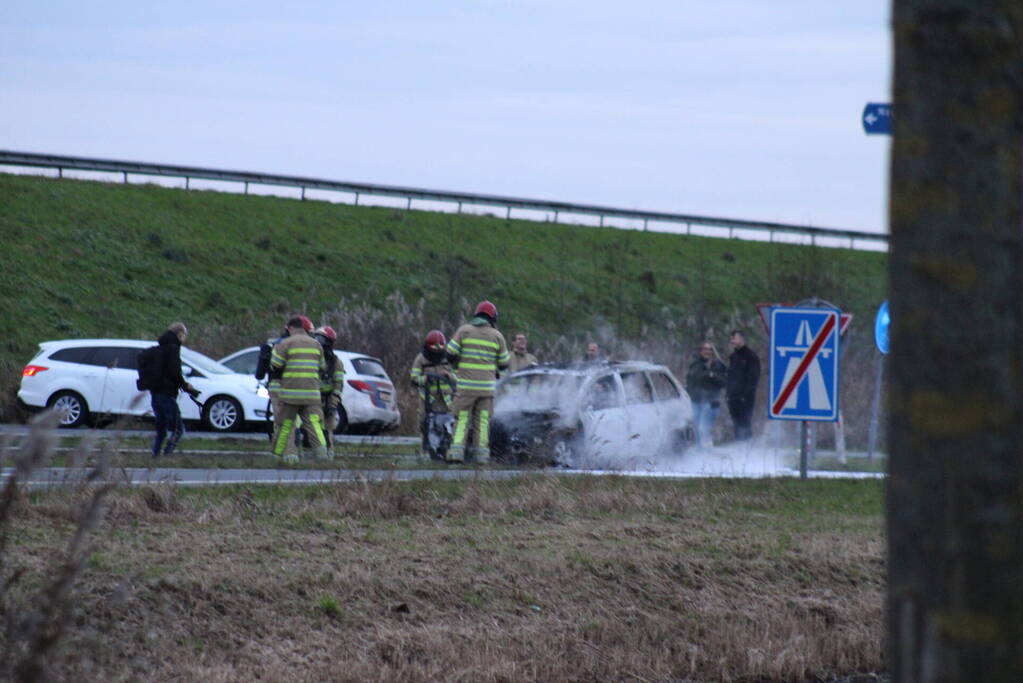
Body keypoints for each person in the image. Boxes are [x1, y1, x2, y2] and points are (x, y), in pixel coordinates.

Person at [446, 301, 509, 464]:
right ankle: (481, 457)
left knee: (462, 419)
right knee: (482, 420)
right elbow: (504, 363)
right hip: (487, 389)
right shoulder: (497, 336)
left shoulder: (464, 330)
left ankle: (456, 453)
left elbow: (450, 353)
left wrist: (457, 363)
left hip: (466, 387)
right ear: (492, 317)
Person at [269, 315, 329, 462]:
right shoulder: (316, 345)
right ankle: (322, 456)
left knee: (286, 425)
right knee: (314, 424)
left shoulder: (285, 344)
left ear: (290, 328)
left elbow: (275, 366)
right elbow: (322, 367)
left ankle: (287, 456)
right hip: (312, 394)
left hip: (290, 394)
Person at [149, 322, 200, 458]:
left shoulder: (160, 347)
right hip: (167, 394)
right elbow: (174, 372)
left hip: (155, 393)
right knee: (178, 429)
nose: (184, 339)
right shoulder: (173, 348)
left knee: (161, 429)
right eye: (184, 335)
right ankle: (167, 454)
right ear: (180, 334)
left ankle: (155, 455)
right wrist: (185, 386)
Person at [410, 330, 457, 457]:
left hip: (446, 400)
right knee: (425, 425)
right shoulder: (421, 359)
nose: (436, 353)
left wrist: (449, 376)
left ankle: (445, 450)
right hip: (427, 400)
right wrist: (427, 378)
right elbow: (414, 378)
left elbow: (458, 376)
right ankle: (426, 451)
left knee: (447, 425)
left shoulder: (448, 358)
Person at [685, 341, 727, 448]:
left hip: (710, 402)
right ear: (700, 351)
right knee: (696, 429)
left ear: (713, 352)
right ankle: (700, 453)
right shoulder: (695, 365)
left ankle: (707, 453)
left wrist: (712, 375)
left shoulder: (718, 365)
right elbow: (690, 381)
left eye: (709, 349)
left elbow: (724, 382)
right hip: (695, 401)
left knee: (703, 429)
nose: (707, 351)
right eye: (705, 349)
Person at [313, 325, 345, 454]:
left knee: (327, 429)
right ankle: (311, 453)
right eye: (316, 338)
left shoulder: (336, 362)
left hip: (327, 400)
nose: (318, 342)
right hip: (312, 399)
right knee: (311, 428)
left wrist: (333, 402)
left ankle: (329, 454)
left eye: (321, 339)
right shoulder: (312, 358)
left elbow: (338, 384)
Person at [726, 329, 761, 441]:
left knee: (744, 424)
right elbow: (730, 377)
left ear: (742, 339)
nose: (732, 341)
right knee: (736, 425)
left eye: (734, 338)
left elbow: (753, 378)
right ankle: (739, 448)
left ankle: (746, 449)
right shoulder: (733, 357)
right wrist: (728, 395)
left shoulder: (751, 357)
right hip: (733, 398)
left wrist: (745, 395)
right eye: (731, 339)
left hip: (745, 399)